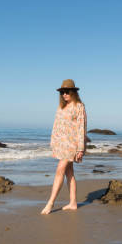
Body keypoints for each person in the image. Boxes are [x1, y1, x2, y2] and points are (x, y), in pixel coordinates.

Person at [40, 79, 87, 215]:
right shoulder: (61, 107)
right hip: (61, 144)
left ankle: (50, 203)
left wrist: (80, 148)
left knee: (59, 170)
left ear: (73, 92)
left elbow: (81, 128)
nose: (64, 94)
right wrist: (53, 142)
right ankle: (73, 203)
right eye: (62, 92)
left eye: (67, 92)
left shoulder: (79, 106)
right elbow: (56, 126)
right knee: (69, 172)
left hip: (72, 145)